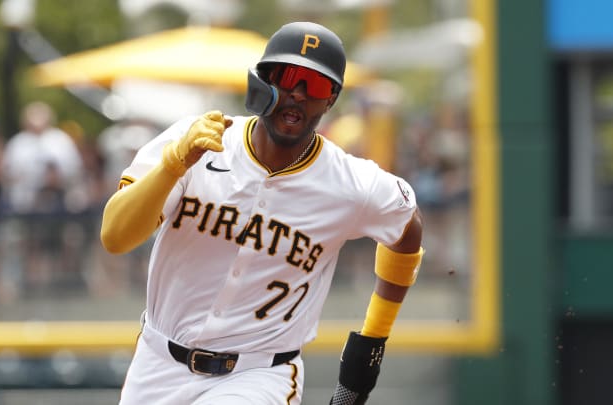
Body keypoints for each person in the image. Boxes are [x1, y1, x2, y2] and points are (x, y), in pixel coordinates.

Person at [100, 21, 423, 405]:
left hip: (259, 375)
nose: (299, 94)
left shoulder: (353, 184)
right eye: (288, 76)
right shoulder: (195, 143)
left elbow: (407, 229)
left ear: (331, 99)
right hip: (157, 364)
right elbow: (115, 238)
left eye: (316, 85)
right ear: (264, 79)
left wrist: (373, 337)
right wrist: (173, 166)